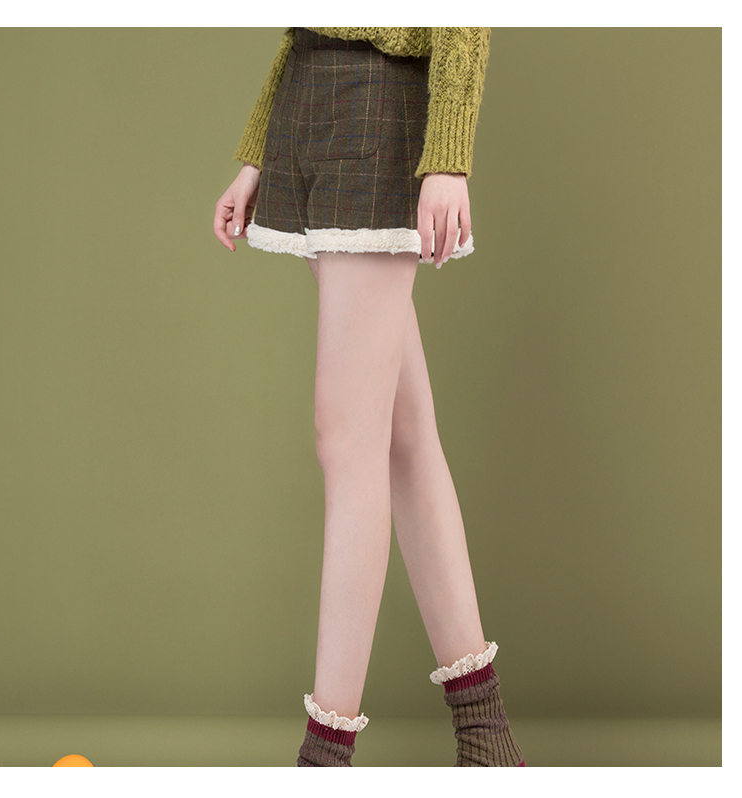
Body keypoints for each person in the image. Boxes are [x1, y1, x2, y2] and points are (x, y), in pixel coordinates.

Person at [214, 27, 525, 768]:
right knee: (402, 441)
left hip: (376, 110)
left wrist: (448, 155)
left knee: (348, 441)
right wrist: (260, 151)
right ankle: (487, 739)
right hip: (310, 107)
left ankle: (325, 758)